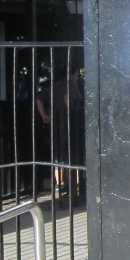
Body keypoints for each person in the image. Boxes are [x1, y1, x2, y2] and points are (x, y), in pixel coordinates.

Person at [37, 61, 83, 195]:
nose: (78, 78)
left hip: (55, 123)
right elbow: (67, 97)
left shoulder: (55, 86)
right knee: (72, 154)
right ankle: (72, 184)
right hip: (69, 123)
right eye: (76, 75)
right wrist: (70, 111)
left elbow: (39, 99)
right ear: (71, 74)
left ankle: (59, 183)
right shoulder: (71, 84)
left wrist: (44, 115)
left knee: (58, 155)